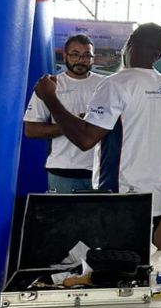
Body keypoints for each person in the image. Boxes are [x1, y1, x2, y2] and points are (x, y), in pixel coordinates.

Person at [34, 23, 161, 308]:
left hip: (120, 203)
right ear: (159, 53)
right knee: (124, 289)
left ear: (129, 45)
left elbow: (85, 138)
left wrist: (51, 99)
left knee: (119, 297)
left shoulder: (116, 84)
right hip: (153, 202)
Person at [23, 34, 102, 192]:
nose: (81, 60)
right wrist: (74, 126)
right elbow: (31, 130)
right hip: (63, 170)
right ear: (65, 56)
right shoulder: (50, 85)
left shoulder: (105, 85)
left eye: (87, 55)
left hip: (100, 171)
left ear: (93, 58)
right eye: (75, 54)